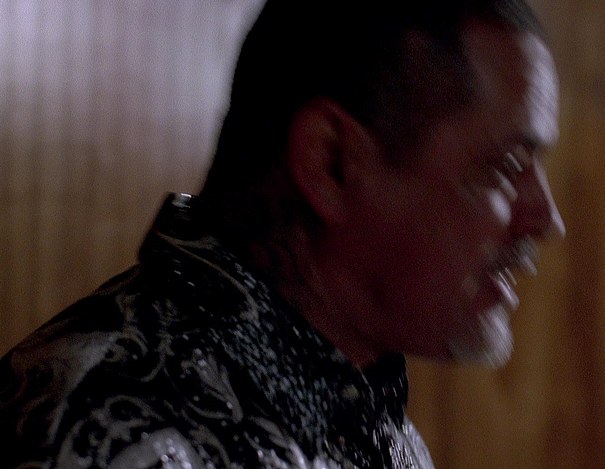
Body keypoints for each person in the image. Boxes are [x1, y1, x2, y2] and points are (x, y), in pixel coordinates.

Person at [0, 0, 564, 467]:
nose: (547, 220)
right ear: (330, 162)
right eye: (507, 166)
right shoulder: (103, 435)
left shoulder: (364, 414)